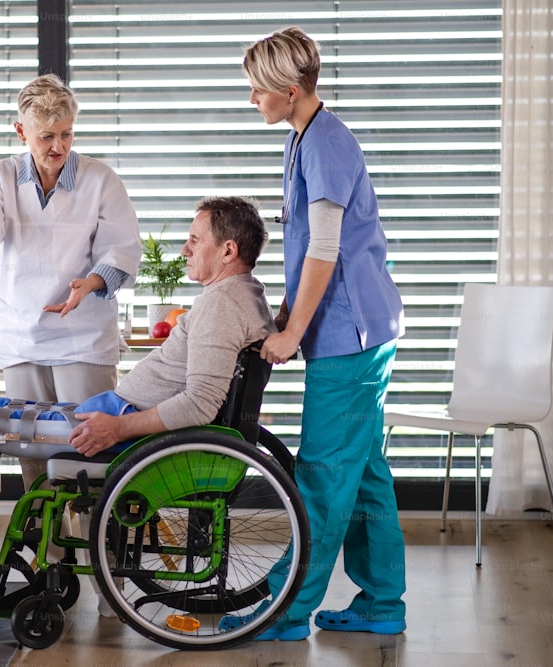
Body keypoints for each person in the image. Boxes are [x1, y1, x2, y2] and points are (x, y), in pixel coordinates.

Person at [0, 196, 274, 459]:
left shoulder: (222, 305)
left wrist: (117, 428)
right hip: (115, 413)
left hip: (121, 426)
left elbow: (199, 405)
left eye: (195, 240)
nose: (184, 249)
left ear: (228, 251)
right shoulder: (245, 295)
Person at [231, 27, 408, 641]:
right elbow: (306, 248)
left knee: (324, 476)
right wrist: (284, 314)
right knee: (363, 473)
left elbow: (327, 252)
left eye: (257, 90)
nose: (252, 98)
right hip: (359, 330)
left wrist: (291, 333)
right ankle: (383, 603)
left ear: (287, 89)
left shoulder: (326, 143)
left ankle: (284, 611)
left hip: (349, 338)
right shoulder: (303, 138)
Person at [0, 73, 141, 492]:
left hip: (84, 338)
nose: (58, 146)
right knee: (32, 452)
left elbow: (122, 250)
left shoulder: (100, 180)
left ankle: (94, 547)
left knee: (90, 451)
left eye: (67, 134)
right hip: (24, 338)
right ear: (21, 131)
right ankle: (49, 553)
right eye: (46, 136)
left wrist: (88, 284)